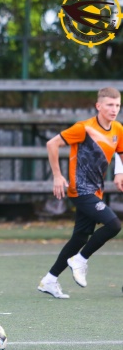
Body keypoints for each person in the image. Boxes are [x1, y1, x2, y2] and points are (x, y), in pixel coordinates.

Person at [38, 87, 123, 299]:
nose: (114, 109)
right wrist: (57, 176)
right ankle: (80, 259)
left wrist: (119, 173)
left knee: (80, 237)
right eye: (110, 105)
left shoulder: (118, 129)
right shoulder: (83, 128)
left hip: (96, 191)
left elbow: (121, 153)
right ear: (98, 106)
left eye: (117, 105)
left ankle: (49, 280)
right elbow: (52, 144)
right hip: (80, 190)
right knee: (113, 225)